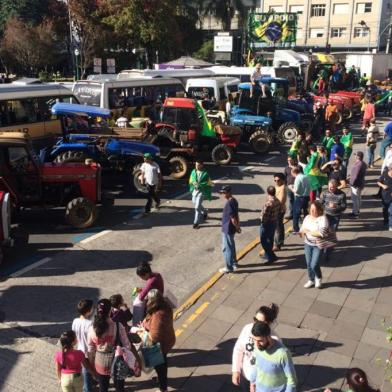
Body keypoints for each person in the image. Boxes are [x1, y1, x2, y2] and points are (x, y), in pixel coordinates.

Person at [88, 299, 138, 392]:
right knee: (119, 388)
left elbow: (91, 349)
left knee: (103, 388)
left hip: (100, 363)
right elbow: (127, 345)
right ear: (110, 310)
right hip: (117, 361)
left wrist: (91, 365)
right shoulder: (118, 325)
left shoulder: (92, 329)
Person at [232, 304, 280, 391]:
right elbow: (238, 349)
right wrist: (236, 370)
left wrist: (254, 383)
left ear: (268, 323)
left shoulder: (275, 341)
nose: (255, 324)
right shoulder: (247, 328)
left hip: (261, 382)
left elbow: (270, 367)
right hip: (245, 374)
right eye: (255, 319)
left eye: (260, 322)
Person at [141, 289, 176, 392]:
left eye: (148, 299)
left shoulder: (158, 315)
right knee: (162, 365)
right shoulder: (165, 305)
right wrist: (146, 323)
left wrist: (144, 327)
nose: (147, 300)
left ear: (153, 300)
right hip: (168, 339)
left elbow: (155, 335)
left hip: (160, 346)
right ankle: (161, 381)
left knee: (160, 366)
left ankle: (163, 388)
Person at [249, 322, 297, 392]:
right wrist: (252, 383)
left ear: (268, 337)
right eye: (254, 340)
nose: (256, 344)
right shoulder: (258, 347)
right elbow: (257, 366)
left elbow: (291, 380)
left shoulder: (283, 354)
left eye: (260, 341)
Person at [299, 201, 330, 289]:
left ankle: (318, 277)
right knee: (308, 264)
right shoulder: (307, 217)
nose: (313, 212)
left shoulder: (322, 219)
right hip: (307, 244)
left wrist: (308, 231)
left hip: (318, 245)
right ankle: (311, 279)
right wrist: (301, 232)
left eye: (315, 210)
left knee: (314, 264)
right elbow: (302, 230)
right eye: (311, 209)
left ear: (319, 210)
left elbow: (321, 233)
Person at [72, 299, 95, 392]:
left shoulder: (75, 321)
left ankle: (88, 385)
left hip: (79, 348)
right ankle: (87, 388)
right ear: (89, 311)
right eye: (92, 308)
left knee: (85, 369)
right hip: (88, 351)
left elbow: (74, 335)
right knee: (88, 371)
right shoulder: (90, 324)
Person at [133, 261, 164, 326]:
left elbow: (141, 297)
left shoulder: (150, 282)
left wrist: (140, 293)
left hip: (156, 302)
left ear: (146, 274)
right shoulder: (157, 275)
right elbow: (148, 288)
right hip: (160, 296)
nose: (142, 279)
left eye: (142, 277)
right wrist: (142, 290)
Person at [219, 185, 241, 274]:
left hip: (227, 229)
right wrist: (238, 226)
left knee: (226, 248)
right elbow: (237, 215)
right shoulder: (234, 200)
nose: (223, 194)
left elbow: (233, 218)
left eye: (224, 193)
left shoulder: (229, 204)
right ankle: (234, 263)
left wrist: (237, 226)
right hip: (231, 228)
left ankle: (228, 267)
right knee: (231, 246)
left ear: (229, 192)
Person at [259, 186, 282, 264]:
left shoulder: (269, 203)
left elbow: (264, 216)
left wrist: (262, 222)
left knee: (263, 240)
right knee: (270, 239)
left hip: (267, 224)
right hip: (274, 222)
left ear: (268, 192)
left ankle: (270, 256)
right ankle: (269, 254)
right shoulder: (277, 201)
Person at [188, 160, 212, 229]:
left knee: (197, 208)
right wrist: (193, 183)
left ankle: (196, 223)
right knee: (195, 203)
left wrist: (201, 185)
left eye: (198, 165)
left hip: (201, 192)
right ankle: (205, 212)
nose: (196, 166)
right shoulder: (193, 171)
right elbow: (191, 180)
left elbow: (209, 183)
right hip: (194, 191)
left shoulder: (206, 173)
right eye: (196, 165)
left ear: (202, 165)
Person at [291, 166, 311, 233]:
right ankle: (307, 227)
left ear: (294, 172)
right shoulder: (306, 176)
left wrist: (291, 188)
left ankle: (296, 229)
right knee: (306, 213)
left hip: (299, 198)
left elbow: (296, 191)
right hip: (307, 197)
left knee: (296, 214)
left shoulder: (298, 178)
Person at [349, 151, 367, 218]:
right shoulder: (363, 163)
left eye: (355, 155)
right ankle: (357, 210)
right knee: (358, 198)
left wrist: (352, 183)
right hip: (360, 183)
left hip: (356, 184)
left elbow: (355, 175)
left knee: (355, 199)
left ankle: (355, 213)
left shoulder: (358, 164)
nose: (354, 156)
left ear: (358, 157)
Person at [273, 174, 287, 251]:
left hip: (279, 209)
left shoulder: (282, 187)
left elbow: (281, 200)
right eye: (275, 180)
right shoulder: (277, 187)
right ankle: (281, 241)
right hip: (278, 209)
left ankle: (277, 245)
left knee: (277, 228)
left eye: (278, 180)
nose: (276, 182)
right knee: (280, 226)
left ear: (282, 180)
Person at [377, 164, 392, 231]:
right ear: (390, 169)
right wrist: (383, 186)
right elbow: (378, 182)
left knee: (391, 211)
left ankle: (390, 225)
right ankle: (386, 221)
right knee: (385, 210)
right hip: (385, 195)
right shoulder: (385, 174)